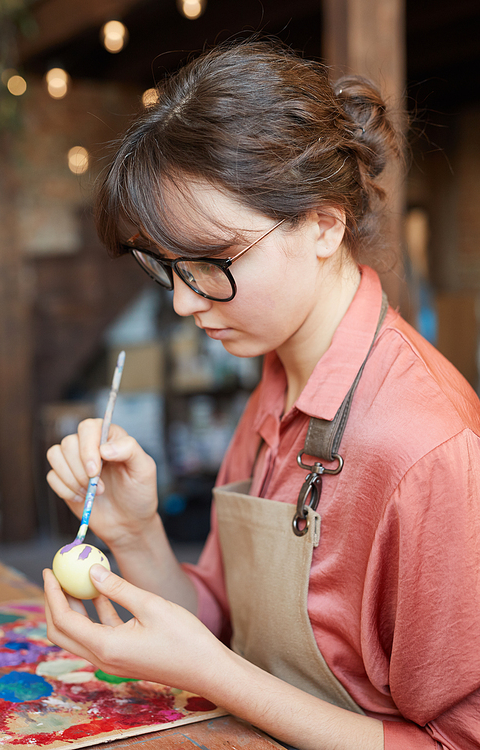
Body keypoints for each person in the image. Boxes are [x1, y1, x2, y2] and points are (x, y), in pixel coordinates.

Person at [43, 39, 480, 750]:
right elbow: (218, 619)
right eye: (167, 268)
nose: (185, 304)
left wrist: (218, 676)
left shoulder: (426, 449)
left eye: (212, 263)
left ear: (323, 224)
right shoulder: (277, 380)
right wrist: (133, 530)